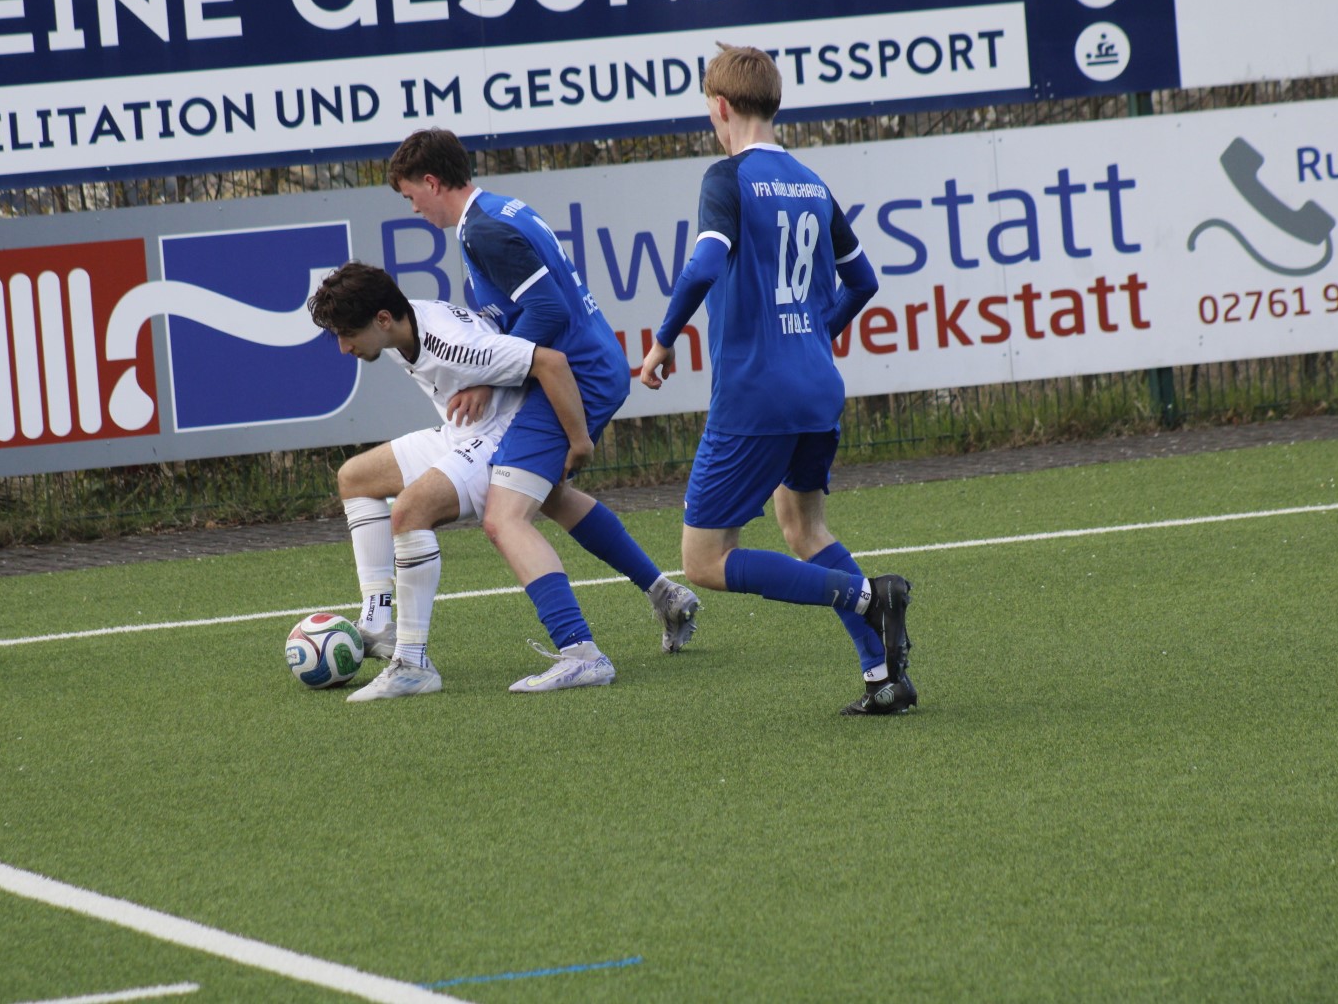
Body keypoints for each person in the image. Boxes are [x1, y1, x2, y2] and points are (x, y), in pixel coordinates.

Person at [638, 44, 918, 716]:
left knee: (704, 561)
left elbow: (704, 268)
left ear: (720, 107)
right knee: (804, 528)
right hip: (817, 387)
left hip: (755, 396)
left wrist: (663, 341)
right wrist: (816, 335)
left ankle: (867, 597)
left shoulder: (727, 178)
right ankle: (884, 677)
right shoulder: (810, 183)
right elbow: (864, 281)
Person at [387, 128, 700, 693]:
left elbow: (548, 310)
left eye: (412, 195)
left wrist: (487, 377)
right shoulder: (497, 211)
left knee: (503, 517)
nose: (413, 208)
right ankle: (666, 595)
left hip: (575, 375)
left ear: (432, 182)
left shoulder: (482, 230)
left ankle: (581, 653)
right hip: (582, 367)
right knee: (546, 493)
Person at [307, 261, 594, 701]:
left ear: (382, 319)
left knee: (409, 512)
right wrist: (485, 383)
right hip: (462, 432)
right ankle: (377, 623)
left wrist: (579, 443)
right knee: (355, 478)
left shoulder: (449, 343)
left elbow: (550, 363)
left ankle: (413, 665)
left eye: (348, 334)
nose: (344, 347)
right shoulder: (403, 325)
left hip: (500, 438)